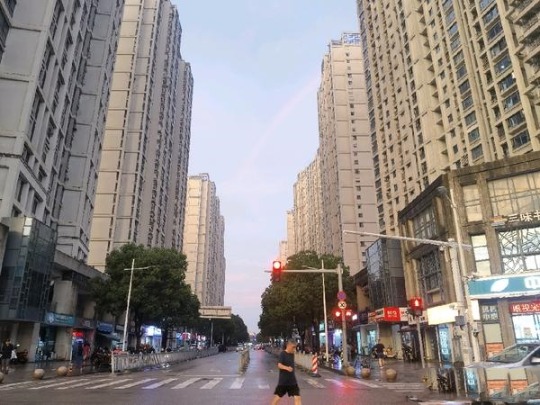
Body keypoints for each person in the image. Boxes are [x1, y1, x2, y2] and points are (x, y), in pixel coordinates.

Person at [271, 339, 301, 405]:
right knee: (277, 398)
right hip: (283, 381)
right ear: (288, 345)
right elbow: (279, 365)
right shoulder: (283, 354)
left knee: (297, 398)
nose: (294, 349)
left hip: (292, 381)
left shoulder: (292, 354)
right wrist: (287, 368)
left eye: (295, 347)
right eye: (293, 347)